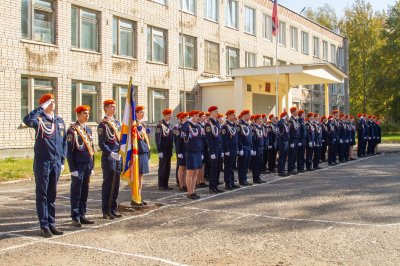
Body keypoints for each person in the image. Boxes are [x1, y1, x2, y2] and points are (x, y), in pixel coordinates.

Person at [23, 94, 67, 238]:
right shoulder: (39, 120)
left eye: (53, 101)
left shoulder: (59, 121)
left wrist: (62, 161)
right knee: (42, 195)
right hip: (43, 163)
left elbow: (64, 143)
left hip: (55, 163)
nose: (52, 103)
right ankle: (44, 225)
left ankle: (52, 223)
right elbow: (27, 120)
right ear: (43, 104)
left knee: (52, 195)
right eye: (49, 102)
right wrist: (40, 109)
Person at [67, 105, 95, 227]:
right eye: (84, 113)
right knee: (76, 191)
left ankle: (82, 215)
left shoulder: (88, 129)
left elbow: (92, 149)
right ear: (78, 115)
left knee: (85, 191)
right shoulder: (72, 130)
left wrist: (92, 166)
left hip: (87, 164)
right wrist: (72, 169)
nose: (87, 116)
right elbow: (69, 151)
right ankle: (75, 216)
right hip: (78, 165)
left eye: (88, 114)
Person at [98, 99, 123, 220]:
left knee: (116, 184)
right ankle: (106, 210)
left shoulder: (117, 123)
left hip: (118, 157)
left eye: (114, 107)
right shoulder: (103, 124)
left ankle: (113, 208)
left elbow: (121, 140)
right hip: (109, 157)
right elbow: (102, 144)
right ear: (106, 108)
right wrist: (111, 153)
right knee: (108, 184)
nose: (114, 109)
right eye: (112, 107)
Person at [182, 110, 203, 199]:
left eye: (198, 116)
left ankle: (193, 191)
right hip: (190, 151)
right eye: (195, 116)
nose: (198, 117)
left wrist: (201, 152)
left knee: (196, 172)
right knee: (190, 172)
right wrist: (188, 121)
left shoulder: (198, 126)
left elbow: (200, 139)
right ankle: (189, 192)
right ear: (191, 117)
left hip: (197, 151)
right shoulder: (187, 125)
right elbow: (184, 131)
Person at [133, 106, 151, 206]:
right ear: (135, 113)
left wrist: (148, 153)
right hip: (137, 153)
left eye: (143, 112)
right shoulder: (133, 125)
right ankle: (135, 197)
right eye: (140, 112)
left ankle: (139, 196)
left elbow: (146, 139)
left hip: (144, 152)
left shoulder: (143, 125)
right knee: (136, 176)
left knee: (141, 176)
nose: (142, 114)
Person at [205, 106, 224, 193]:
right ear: (211, 113)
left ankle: (216, 185)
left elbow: (220, 137)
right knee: (213, 168)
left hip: (219, 148)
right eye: (216, 111)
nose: (217, 113)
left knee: (218, 168)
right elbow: (209, 139)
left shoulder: (217, 123)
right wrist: (211, 151)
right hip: (214, 149)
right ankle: (212, 187)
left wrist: (222, 150)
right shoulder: (209, 124)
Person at [155, 108, 174, 190]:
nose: (170, 117)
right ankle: (161, 185)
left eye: (171, 115)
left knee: (168, 168)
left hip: (169, 149)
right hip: (163, 150)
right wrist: (159, 151)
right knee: (162, 167)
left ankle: (166, 184)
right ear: (165, 115)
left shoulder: (169, 125)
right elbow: (158, 139)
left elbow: (171, 139)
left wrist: (172, 149)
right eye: (169, 115)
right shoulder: (160, 125)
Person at [222, 110, 240, 190]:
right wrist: (226, 150)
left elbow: (236, 138)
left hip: (234, 148)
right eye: (233, 115)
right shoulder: (225, 126)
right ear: (228, 116)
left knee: (232, 167)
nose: (234, 116)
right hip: (229, 149)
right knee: (228, 167)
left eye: (234, 115)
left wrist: (238, 148)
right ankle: (227, 183)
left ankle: (232, 182)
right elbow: (224, 139)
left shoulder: (234, 125)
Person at [237, 110, 253, 185]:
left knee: (246, 165)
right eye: (248, 115)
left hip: (248, 147)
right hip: (243, 147)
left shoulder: (249, 125)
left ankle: (245, 179)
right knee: (242, 165)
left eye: (249, 115)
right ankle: (242, 180)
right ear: (243, 116)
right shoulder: (240, 125)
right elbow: (239, 138)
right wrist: (240, 148)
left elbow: (250, 138)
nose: (249, 116)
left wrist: (252, 148)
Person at [174, 112, 188, 192]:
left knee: (186, 168)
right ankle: (181, 184)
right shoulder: (179, 128)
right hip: (181, 150)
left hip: (186, 149)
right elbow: (177, 141)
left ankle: (185, 184)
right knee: (181, 167)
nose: (188, 119)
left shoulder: (186, 127)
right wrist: (179, 152)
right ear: (182, 119)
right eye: (186, 118)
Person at [252, 115, 267, 183]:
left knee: (260, 163)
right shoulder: (254, 128)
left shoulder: (261, 127)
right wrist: (254, 149)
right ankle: (255, 178)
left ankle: (258, 177)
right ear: (257, 120)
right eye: (260, 119)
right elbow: (253, 140)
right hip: (257, 147)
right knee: (256, 164)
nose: (262, 120)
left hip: (261, 147)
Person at [288, 107, 300, 175]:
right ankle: (290, 169)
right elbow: (290, 132)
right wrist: (291, 141)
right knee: (291, 155)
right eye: (296, 111)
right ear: (292, 112)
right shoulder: (291, 120)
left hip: (296, 138)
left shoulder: (296, 119)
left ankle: (293, 168)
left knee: (294, 154)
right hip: (293, 139)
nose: (297, 112)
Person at [277, 111, 290, 177]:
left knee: (285, 157)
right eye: (287, 116)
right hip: (282, 141)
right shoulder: (281, 122)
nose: (288, 117)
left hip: (286, 141)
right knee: (282, 157)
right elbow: (279, 125)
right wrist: (283, 119)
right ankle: (280, 171)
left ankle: (283, 169)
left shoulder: (285, 123)